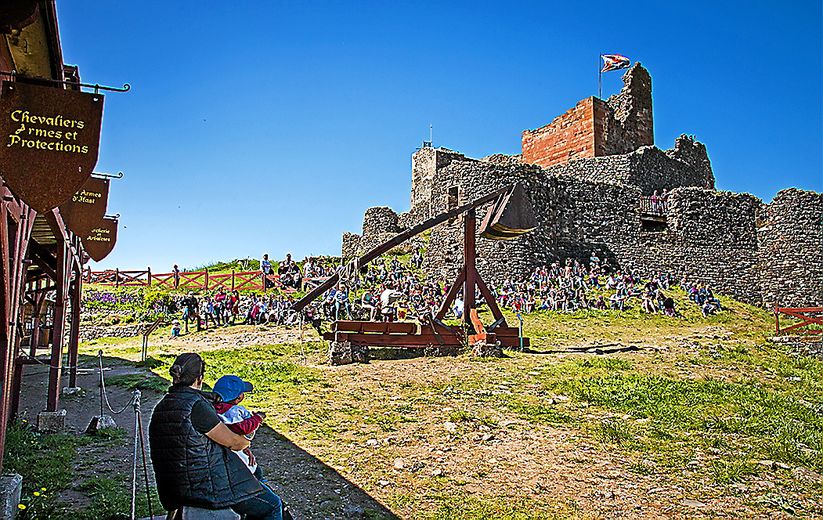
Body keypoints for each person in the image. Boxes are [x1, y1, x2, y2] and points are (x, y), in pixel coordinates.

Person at [149, 353, 286, 519]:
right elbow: (233, 442)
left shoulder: (162, 405)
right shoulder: (196, 406)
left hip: (173, 487)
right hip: (204, 487)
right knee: (272, 505)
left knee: (255, 482)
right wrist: (246, 443)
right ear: (200, 379)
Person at [213, 375, 267, 481]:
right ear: (238, 398)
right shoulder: (233, 412)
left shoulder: (211, 408)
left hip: (223, 451)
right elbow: (244, 428)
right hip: (234, 453)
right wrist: (258, 418)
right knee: (256, 473)